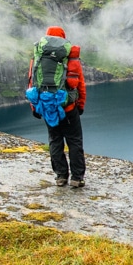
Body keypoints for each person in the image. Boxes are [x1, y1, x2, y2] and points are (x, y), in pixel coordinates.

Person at [26, 26, 87, 187]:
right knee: (74, 141)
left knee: (55, 140)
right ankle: (77, 178)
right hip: (67, 108)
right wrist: (80, 106)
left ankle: (61, 176)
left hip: (47, 107)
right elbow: (79, 85)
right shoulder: (69, 57)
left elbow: (32, 83)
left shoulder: (38, 56)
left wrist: (35, 107)